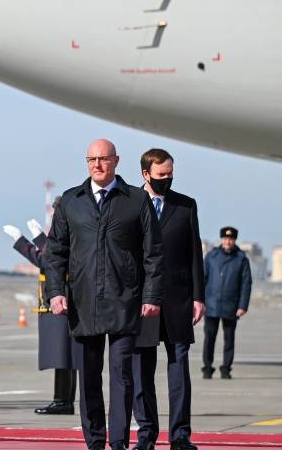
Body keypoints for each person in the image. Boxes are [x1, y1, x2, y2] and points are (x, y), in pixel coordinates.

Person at [44, 139, 163, 450]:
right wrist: (55, 291)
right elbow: (54, 253)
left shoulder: (137, 200)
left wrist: (151, 296)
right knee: (89, 378)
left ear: (116, 161)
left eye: (103, 159)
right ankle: (95, 441)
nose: (97, 165)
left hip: (126, 301)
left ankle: (119, 440)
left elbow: (153, 253)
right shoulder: (71, 201)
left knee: (122, 375)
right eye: (91, 159)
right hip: (83, 303)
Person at [128, 148, 204, 450]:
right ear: (146, 174)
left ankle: (180, 435)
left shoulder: (186, 206)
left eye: (170, 174)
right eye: (161, 175)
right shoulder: (130, 203)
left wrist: (199, 296)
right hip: (142, 301)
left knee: (179, 369)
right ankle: (146, 435)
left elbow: (194, 254)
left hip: (179, 300)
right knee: (141, 371)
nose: (167, 179)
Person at [4, 213, 77, 415]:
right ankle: (64, 400)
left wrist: (27, 241)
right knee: (65, 357)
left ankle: (63, 401)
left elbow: (49, 261)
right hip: (63, 301)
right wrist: (37, 239)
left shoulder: (72, 235)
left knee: (64, 355)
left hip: (63, 301)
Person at [202, 226, 252, 381]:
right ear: (221, 239)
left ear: (234, 240)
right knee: (209, 338)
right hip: (211, 305)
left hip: (231, 306)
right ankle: (208, 368)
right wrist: (199, 301)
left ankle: (226, 368)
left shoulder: (241, 258)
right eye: (225, 238)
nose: (228, 241)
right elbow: (202, 279)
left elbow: (246, 283)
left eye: (230, 239)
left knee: (229, 339)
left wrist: (243, 305)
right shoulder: (211, 256)